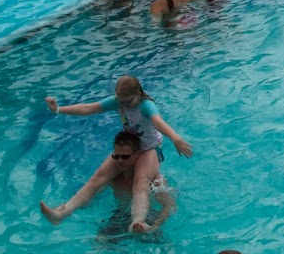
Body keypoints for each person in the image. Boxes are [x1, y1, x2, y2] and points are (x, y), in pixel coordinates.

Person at [42, 75, 193, 233]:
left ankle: (138, 222)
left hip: (149, 149)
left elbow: (158, 122)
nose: (122, 105)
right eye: (120, 101)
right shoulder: (118, 101)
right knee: (97, 178)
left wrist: (176, 139)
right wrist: (58, 110)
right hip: (129, 145)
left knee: (140, 182)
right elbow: (88, 108)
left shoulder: (146, 105)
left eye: (126, 102)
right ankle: (61, 214)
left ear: (138, 94)